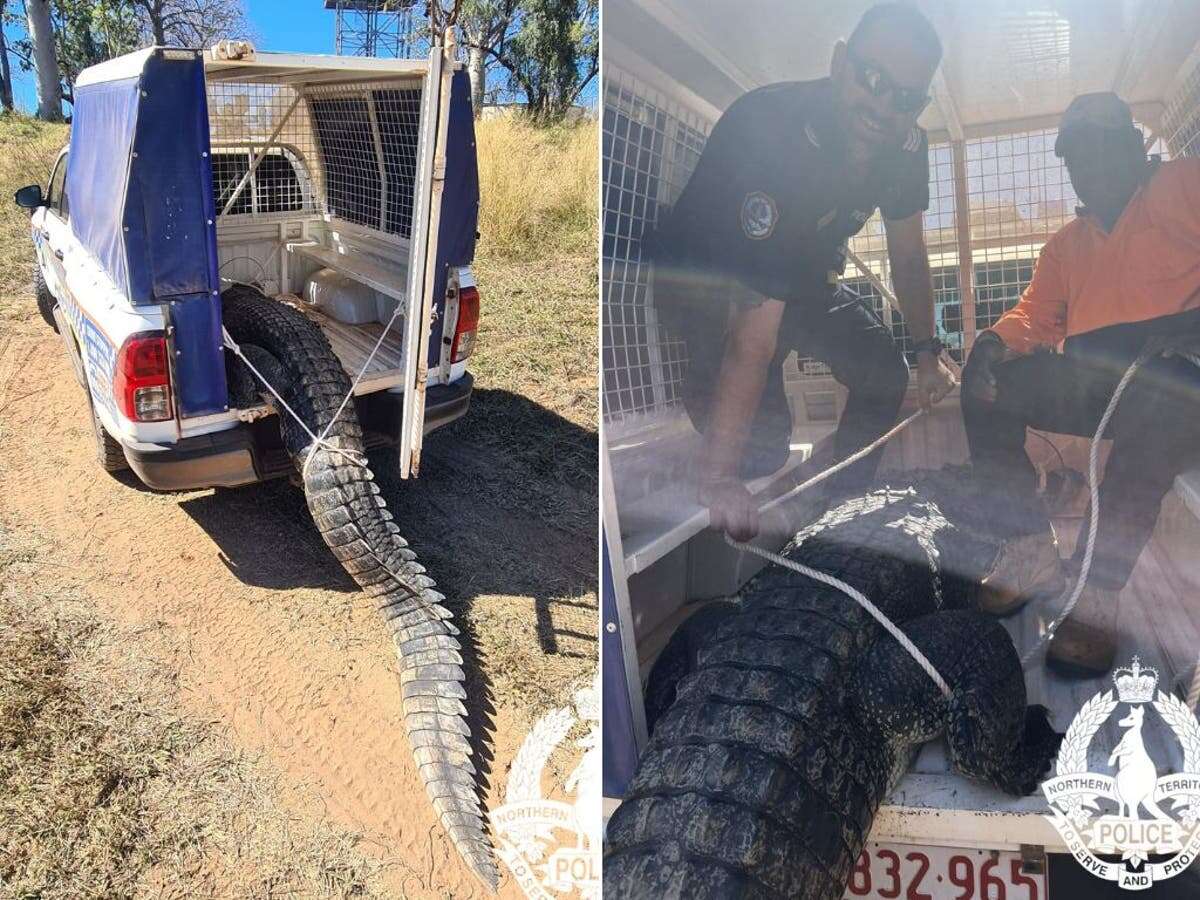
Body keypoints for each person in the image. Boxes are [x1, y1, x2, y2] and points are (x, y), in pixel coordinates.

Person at [650, 3, 956, 542]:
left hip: (796, 271)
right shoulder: (776, 134)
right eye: (873, 78)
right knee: (762, 449)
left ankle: (837, 511)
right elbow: (754, 337)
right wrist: (719, 477)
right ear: (841, 63)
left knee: (886, 371)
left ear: (919, 105)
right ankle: (702, 383)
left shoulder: (907, 147)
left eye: (905, 98)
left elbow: (907, 254)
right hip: (707, 278)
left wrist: (928, 353)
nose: (883, 107)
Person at [963, 92, 1200, 677]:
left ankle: (1097, 591)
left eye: (1100, 146)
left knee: (1167, 393)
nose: (1088, 165)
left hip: (1184, 389)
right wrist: (992, 345)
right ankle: (1028, 548)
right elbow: (1034, 315)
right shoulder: (1065, 245)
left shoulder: (1186, 186)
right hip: (1103, 384)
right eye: (1075, 156)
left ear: (1130, 143)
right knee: (986, 386)